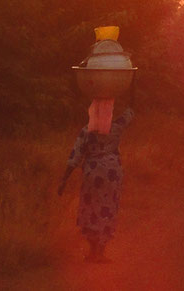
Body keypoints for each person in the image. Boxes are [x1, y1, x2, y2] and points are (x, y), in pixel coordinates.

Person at [58, 85, 135, 263]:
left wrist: (64, 180)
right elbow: (131, 111)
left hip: (92, 174)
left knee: (91, 210)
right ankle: (101, 252)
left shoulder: (86, 131)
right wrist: (132, 83)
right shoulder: (115, 128)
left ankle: (93, 252)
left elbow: (75, 156)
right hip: (112, 174)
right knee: (107, 210)